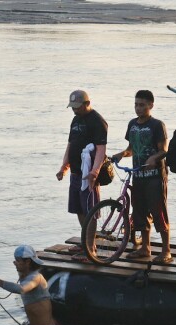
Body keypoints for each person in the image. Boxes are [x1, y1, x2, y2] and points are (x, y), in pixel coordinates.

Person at [111, 90, 171, 263]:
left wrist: (154, 158)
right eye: (136, 104)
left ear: (151, 105)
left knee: (159, 212)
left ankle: (166, 250)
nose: (138, 108)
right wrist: (121, 154)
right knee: (140, 212)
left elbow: (164, 150)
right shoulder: (132, 124)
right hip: (138, 175)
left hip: (154, 176)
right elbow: (132, 148)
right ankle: (145, 247)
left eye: (142, 105)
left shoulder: (157, 125)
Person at [57, 90, 108, 260]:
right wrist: (64, 166)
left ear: (87, 103)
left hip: (89, 174)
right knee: (79, 209)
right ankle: (85, 243)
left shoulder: (97, 121)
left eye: (77, 107)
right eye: (72, 107)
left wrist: (94, 172)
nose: (74, 110)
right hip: (75, 172)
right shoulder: (75, 119)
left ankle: (91, 248)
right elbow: (70, 144)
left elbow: (101, 150)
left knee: (90, 210)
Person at [0, 245, 61, 325]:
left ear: (28, 262)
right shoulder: (24, 275)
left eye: (18, 261)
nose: (14, 263)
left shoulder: (36, 277)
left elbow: (22, 289)